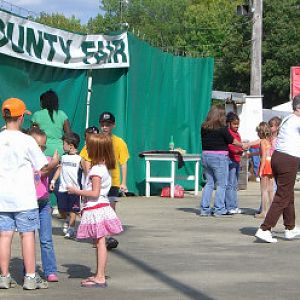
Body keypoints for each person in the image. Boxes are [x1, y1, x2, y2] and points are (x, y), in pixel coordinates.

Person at [0, 98, 58, 290]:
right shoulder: (27, 141)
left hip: (2, 198)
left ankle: (4, 277)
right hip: (24, 198)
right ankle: (31, 278)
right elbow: (43, 166)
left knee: (4, 236)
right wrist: (55, 162)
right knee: (27, 236)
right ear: (20, 118)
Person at [67, 133, 123, 288]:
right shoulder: (101, 167)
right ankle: (99, 274)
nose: (86, 149)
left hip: (97, 207)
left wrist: (75, 191)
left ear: (95, 150)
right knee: (99, 242)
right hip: (99, 206)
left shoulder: (97, 170)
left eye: (89, 146)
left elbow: (95, 193)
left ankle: (100, 276)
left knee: (100, 243)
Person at [80, 112, 129, 249]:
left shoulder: (119, 142)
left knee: (110, 209)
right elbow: (84, 158)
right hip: (97, 182)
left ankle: (106, 236)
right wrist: (88, 174)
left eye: (107, 124)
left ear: (113, 125)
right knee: (95, 209)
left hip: (112, 182)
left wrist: (123, 182)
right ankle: (100, 236)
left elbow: (123, 163)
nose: (104, 127)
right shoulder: (95, 140)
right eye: (102, 124)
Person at [255, 95, 300, 243]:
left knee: (287, 194)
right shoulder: (296, 121)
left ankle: (290, 227)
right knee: (282, 195)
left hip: (279, 157)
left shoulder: (288, 118)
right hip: (288, 159)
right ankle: (265, 229)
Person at [200, 105, 246, 217]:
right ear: (220, 116)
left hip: (205, 156)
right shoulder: (222, 129)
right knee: (222, 184)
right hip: (219, 158)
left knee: (209, 183)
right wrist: (243, 145)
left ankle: (204, 209)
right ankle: (219, 209)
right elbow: (232, 141)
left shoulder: (204, 127)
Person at [28, 127, 59, 282]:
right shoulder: (26, 162)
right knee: (28, 239)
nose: (40, 149)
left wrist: (54, 165)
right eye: (38, 146)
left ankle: (50, 270)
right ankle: (29, 270)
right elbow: (42, 173)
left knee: (46, 239)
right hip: (28, 204)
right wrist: (52, 165)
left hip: (44, 203)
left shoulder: (46, 160)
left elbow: (52, 168)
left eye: (43, 146)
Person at [50, 132, 82, 239]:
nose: (62, 146)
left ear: (71, 146)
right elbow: (59, 169)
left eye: (64, 143)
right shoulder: (63, 158)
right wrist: (53, 181)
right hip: (62, 188)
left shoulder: (79, 159)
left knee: (73, 210)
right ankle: (67, 220)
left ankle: (71, 229)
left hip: (74, 190)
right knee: (62, 209)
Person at [31, 90, 71, 156]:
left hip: (42, 151)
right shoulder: (62, 114)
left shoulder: (37, 115)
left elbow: (32, 135)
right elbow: (69, 134)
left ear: (43, 102)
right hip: (59, 152)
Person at [225, 112, 243, 214]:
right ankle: (229, 206)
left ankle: (234, 205)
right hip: (230, 160)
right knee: (230, 184)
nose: (236, 126)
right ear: (229, 124)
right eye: (234, 124)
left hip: (236, 160)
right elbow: (231, 147)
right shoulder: (229, 133)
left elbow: (239, 147)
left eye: (237, 124)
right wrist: (238, 151)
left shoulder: (237, 134)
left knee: (235, 184)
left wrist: (239, 158)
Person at [254, 122, 274, 219]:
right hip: (271, 164)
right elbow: (266, 153)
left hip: (265, 164)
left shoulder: (262, 141)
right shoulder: (268, 141)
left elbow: (263, 156)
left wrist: (260, 170)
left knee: (264, 190)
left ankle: (264, 211)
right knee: (270, 189)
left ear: (260, 132)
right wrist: (251, 155)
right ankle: (272, 210)